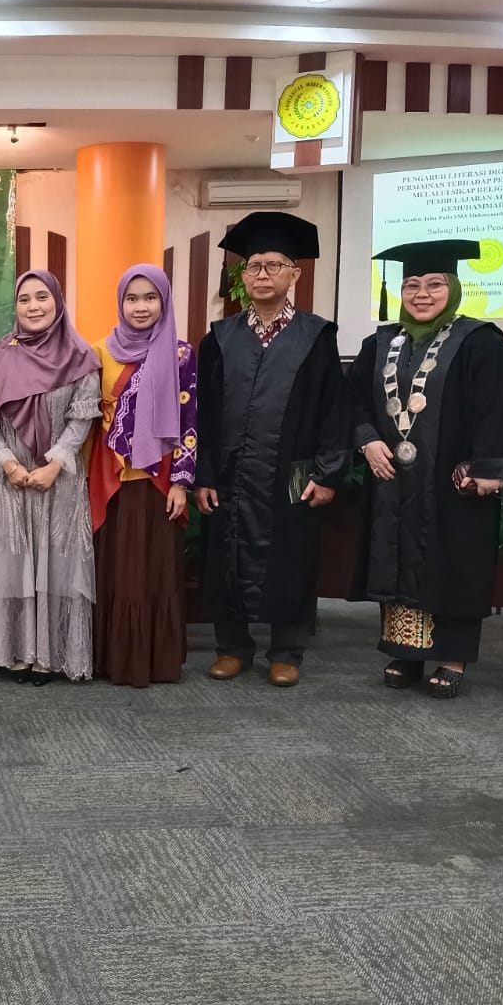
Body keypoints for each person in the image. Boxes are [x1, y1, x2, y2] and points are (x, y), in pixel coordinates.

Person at [350, 239, 503, 698]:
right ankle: (405, 651)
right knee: (396, 554)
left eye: (434, 284)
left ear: (453, 288)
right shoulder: (380, 343)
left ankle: (452, 655)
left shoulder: (480, 341)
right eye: (412, 285)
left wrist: (488, 466)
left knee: (455, 560)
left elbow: (500, 407)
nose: (421, 294)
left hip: (453, 478)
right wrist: (367, 439)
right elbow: (351, 400)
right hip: (393, 478)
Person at [196, 213, 349, 688]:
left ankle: (287, 649)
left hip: (294, 471)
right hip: (230, 471)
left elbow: (334, 410)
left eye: (274, 265)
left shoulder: (316, 336)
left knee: (293, 554)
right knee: (226, 554)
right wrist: (204, 475)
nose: (263, 274)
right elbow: (203, 414)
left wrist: (327, 473)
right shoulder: (219, 338)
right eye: (254, 266)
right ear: (243, 276)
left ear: (294, 275)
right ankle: (232, 646)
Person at [0, 270, 100, 684]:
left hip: (58, 479)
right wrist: (7, 462)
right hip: (9, 478)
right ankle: (16, 652)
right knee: (12, 563)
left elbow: (82, 419)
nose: (33, 306)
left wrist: (55, 464)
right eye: (24, 299)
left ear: (57, 301)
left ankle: (50, 656)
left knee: (55, 565)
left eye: (42, 297)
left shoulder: (81, 355)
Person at [88, 265, 197, 687]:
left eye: (150, 297)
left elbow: (189, 421)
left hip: (159, 482)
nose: (141, 307)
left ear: (164, 302)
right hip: (112, 481)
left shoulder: (181, 353)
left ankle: (155, 661)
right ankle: (114, 658)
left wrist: (181, 482)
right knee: (116, 572)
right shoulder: (100, 351)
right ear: (120, 302)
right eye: (131, 298)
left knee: (153, 572)